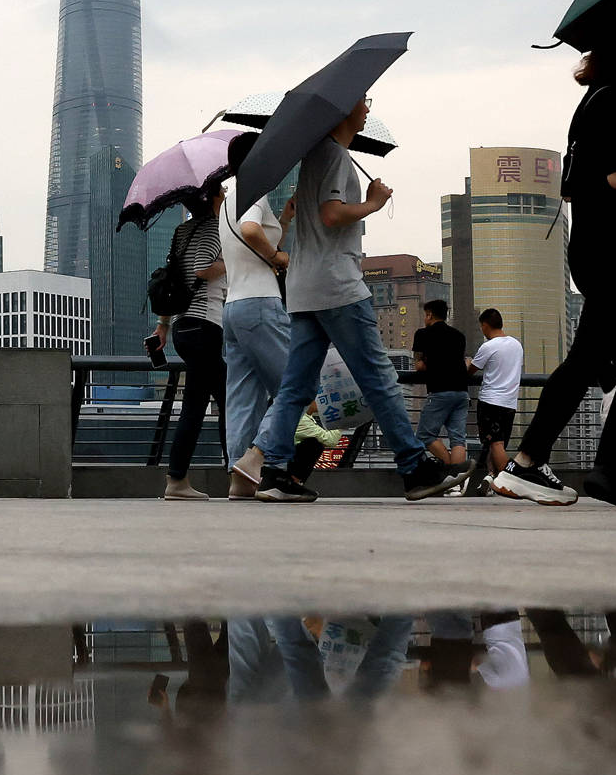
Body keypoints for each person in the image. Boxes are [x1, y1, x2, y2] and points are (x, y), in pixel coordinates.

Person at [229, 94, 466, 502]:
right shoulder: (335, 155)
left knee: (295, 388)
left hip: (304, 289)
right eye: (363, 101)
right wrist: (373, 203)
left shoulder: (314, 158)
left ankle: (271, 469)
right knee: (379, 378)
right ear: (343, 110)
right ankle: (415, 468)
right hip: (337, 285)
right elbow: (332, 213)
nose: (368, 108)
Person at [492, 34, 616, 506]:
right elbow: (614, 179)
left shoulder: (591, 103)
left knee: (611, 357)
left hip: (591, 247)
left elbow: (573, 185)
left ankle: (531, 462)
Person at [217, 135, 336, 499]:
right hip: (260, 303)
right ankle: (263, 461)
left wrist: (283, 219)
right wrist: (276, 257)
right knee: (297, 386)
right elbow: (252, 231)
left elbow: (248, 238)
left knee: (243, 396)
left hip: (233, 308)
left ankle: (240, 476)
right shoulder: (254, 192)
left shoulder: (227, 201)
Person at [155, 191, 228, 501]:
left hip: (183, 326)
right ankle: (237, 473)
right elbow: (201, 269)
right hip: (204, 324)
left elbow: (173, 278)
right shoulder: (213, 227)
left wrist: (163, 324)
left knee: (204, 403)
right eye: (222, 192)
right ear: (212, 198)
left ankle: (179, 479)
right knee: (224, 401)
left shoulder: (181, 231)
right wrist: (229, 261)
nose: (225, 195)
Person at [465, 309, 522, 492]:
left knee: (495, 443)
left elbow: (470, 371)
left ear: (485, 325)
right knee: (498, 444)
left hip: (490, 402)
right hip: (510, 403)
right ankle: (491, 479)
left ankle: (512, 481)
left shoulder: (488, 347)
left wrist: (468, 361)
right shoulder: (516, 345)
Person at [412, 299, 470, 474]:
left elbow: (419, 366)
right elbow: (460, 361)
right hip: (462, 392)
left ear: (429, 315)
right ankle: (457, 480)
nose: (424, 318)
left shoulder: (422, 334)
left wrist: (431, 363)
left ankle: (449, 472)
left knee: (425, 435)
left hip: (440, 391)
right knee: (458, 440)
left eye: (425, 315)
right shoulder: (459, 336)